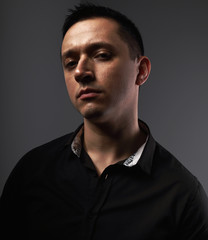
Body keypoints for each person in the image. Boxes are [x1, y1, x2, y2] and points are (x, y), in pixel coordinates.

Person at [0, 3, 208, 240]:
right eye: (70, 62)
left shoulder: (183, 195)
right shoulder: (31, 173)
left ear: (141, 71)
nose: (80, 72)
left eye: (101, 55)